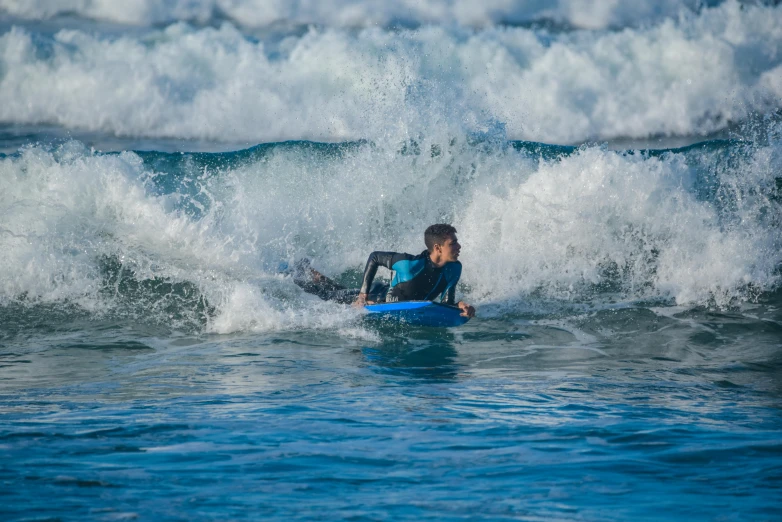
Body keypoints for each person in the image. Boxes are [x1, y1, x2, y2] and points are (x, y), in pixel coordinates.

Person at [292, 224, 475, 317]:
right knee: (329, 295)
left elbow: (446, 303)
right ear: (438, 248)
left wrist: (459, 306)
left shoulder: (454, 269)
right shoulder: (410, 264)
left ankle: (312, 272)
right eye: (453, 243)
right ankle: (296, 275)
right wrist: (363, 296)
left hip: (396, 297)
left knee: (338, 289)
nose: (459, 246)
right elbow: (375, 257)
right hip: (377, 298)